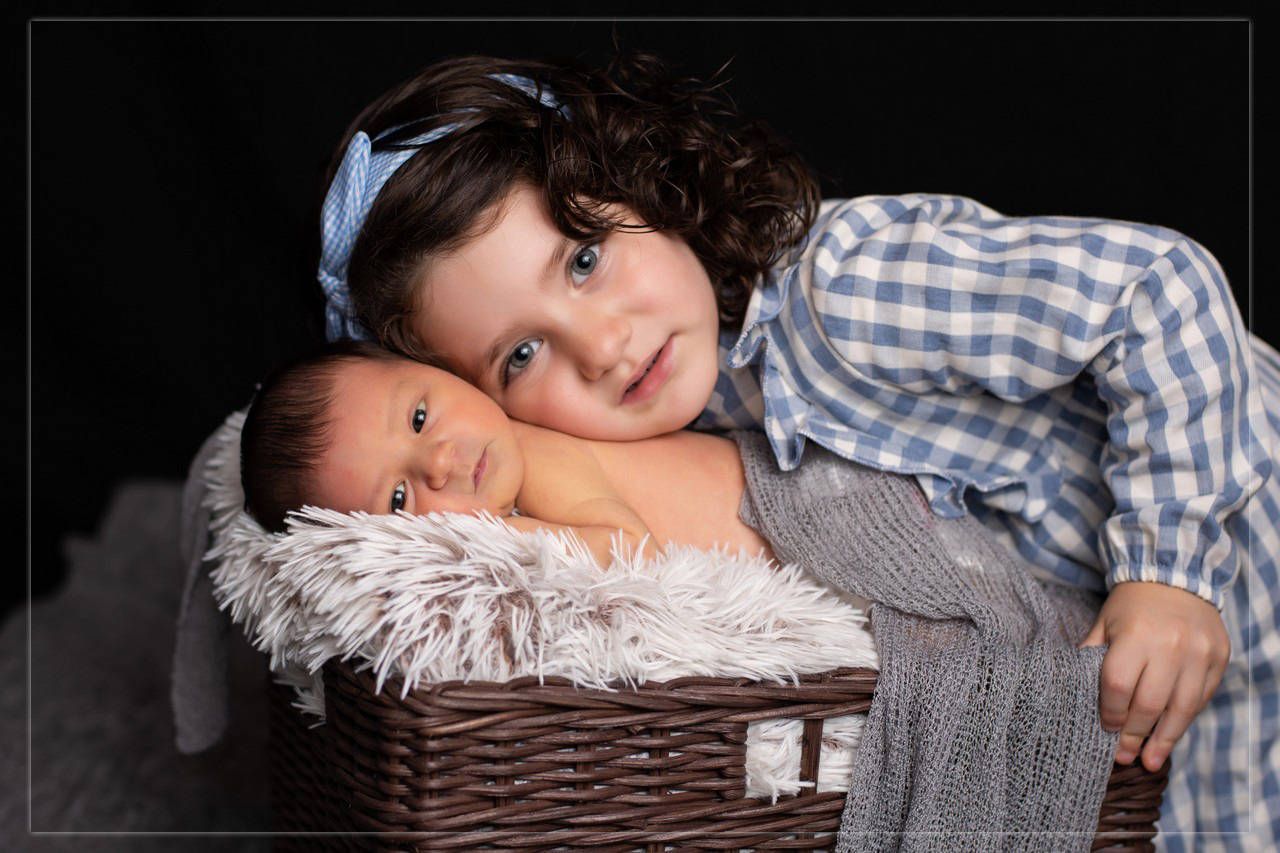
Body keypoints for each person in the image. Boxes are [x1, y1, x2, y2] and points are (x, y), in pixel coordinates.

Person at [315, 53, 1277, 848]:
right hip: (1134, 641)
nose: (602, 347)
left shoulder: (845, 288)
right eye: (522, 354)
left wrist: (1170, 574)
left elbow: (1161, 290)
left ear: (640, 180)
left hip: (1236, 512)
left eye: (585, 259)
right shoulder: (661, 417)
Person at [239, 340, 772, 569]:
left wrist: (502, 535)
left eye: (419, 418)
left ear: (437, 368)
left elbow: (634, 553)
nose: (438, 463)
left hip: (791, 511)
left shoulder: (533, 452)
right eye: (399, 499)